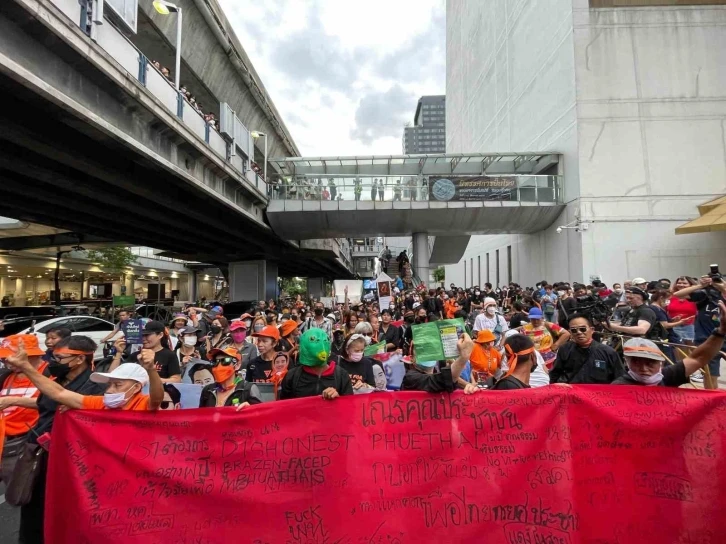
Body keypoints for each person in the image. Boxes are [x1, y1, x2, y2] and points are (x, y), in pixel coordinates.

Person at [6, 335, 106, 543]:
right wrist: (13, 400)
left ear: (80, 359)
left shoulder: (94, 386)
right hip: (38, 454)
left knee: (61, 511)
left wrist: (26, 366)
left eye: (60, 357)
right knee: (32, 509)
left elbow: (60, 395)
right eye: (53, 356)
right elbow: (45, 403)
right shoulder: (56, 380)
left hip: (68, 462)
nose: (54, 362)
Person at [5, 345, 163, 411]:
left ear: (136, 388)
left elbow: (157, 399)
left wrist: (151, 370)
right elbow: (59, 394)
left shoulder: (143, 404)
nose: (110, 390)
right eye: (110, 385)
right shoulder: (101, 403)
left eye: (118, 384)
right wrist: (26, 367)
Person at [612, 304, 726, 385]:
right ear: (627, 363)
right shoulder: (619, 387)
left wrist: (721, 332)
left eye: (650, 363)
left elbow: (698, 358)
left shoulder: (669, 377)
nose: (644, 369)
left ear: (661, 363)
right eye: (636, 362)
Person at [0, 336, 48, 485]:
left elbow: (55, 402)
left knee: (21, 492)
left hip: (24, 444)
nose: (7, 363)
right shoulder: (6, 376)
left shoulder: (50, 374)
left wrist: (14, 400)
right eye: (4, 359)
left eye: (10, 358)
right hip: (3, 440)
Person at [673, 275, 726, 389]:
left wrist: (723, 287)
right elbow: (677, 294)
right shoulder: (706, 294)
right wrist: (701, 285)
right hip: (708, 340)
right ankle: (712, 401)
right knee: (710, 375)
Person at [279, 329, 354, 400]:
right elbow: (284, 407)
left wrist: (338, 398)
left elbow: (349, 406)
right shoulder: (292, 377)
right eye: (312, 340)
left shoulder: (341, 375)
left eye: (324, 341)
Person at [549, 315, 624, 384]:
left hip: (597, 394)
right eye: (574, 330)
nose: (579, 332)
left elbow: (620, 377)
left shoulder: (608, 352)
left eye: (582, 329)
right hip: (571, 393)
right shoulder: (564, 349)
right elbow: (555, 374)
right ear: (570, 332)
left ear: (592, 330)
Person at [401, 333, 478, 394]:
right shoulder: (410, 377)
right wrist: (463, 357)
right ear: (411, 359)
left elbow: (450, 382)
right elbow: (440, 380)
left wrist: (468, 387)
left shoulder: (437, 370)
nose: (427, 353)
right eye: (421, 351)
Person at [113, 321, 181, 383]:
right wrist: (118, 353)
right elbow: (113, 375)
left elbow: (176, 379)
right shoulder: (135, 355)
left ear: (160, 335)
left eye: (147, 335)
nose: (143, 338)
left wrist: (151, 380)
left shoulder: (169, 355)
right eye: (142, 335)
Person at [668, 276, 698, 343]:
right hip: (674, 325)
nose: (681, 285)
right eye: (679, 283)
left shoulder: (696, 297)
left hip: (691, 326)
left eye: (684, 283)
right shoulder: (670, 296)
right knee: (676, 348)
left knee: (690, 348)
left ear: (691, 285)